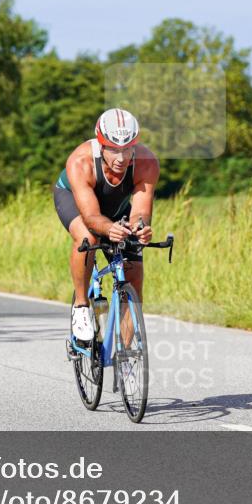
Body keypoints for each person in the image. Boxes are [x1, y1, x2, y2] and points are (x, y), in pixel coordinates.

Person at [53, 108, 159, 341]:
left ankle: (128, 357)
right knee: (88, 239)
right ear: (101, 145)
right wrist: (108, 228)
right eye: (113, 149)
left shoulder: (147, 162)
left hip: (117, 210)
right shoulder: (80, 161)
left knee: (134, 273)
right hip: (74, 200)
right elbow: (91, 216)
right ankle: (81, 306)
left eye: (127, 149)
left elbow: (140, 210)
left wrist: (139, 228)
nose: (121, 158)